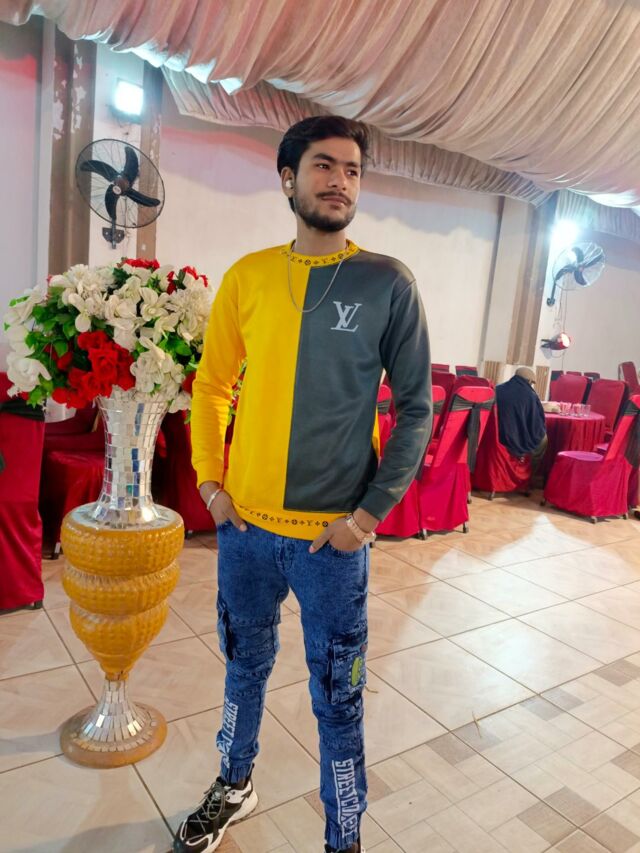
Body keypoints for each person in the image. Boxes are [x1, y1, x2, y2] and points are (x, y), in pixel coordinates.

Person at [174, 115, 432, 853]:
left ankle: (343, 836)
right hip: (246, 534)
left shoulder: (387, 282)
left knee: (338, 698)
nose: (340, 181)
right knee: (243, 666)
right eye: (324, 165)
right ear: (288, 178)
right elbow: (212, 385)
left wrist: (367, 517)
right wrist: (211, 485)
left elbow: (416, 407)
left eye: (352, 170)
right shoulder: (249, 276)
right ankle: (234, 782)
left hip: (331, 544)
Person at [495, 366, 547, 473]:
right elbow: (536, 422)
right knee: (543, 440)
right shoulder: (530, 395)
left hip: (495, 434)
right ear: (529, 381)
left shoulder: (497, 389)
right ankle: (530, 474)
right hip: (513, 437)